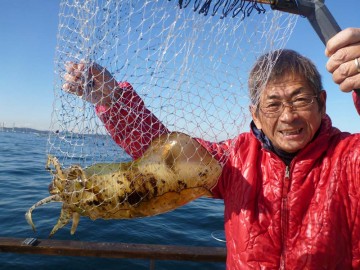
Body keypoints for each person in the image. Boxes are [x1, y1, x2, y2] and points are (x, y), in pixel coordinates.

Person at [63, 28, 360, 269]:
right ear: (254, 114)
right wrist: (114, 100)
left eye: (300, 100)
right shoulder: (235, 160)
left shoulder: (349, 157)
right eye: (273, 104)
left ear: (322, 102)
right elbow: (165, 152)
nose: (288, 116)